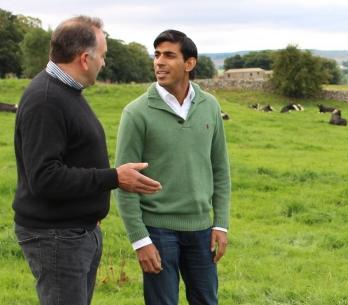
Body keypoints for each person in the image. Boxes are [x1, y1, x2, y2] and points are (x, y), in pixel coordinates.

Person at [13, 16, 161, 305]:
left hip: (74, 232)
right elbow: (45, 178)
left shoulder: (66, 92)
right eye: (102, 56)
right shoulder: (46, 99)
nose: (103, 63)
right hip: (57, 236)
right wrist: (114, 177)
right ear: (84, 58)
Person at [115, 29, 231, 305]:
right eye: (156, 55)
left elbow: (220, 170)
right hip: (157, 230)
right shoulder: (136, 112)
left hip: (202, 229)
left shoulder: (210, 106)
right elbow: (123, 182)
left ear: (189, 64)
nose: (159, 62)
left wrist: (221, 224)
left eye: (169, 55)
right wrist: (140, 240)